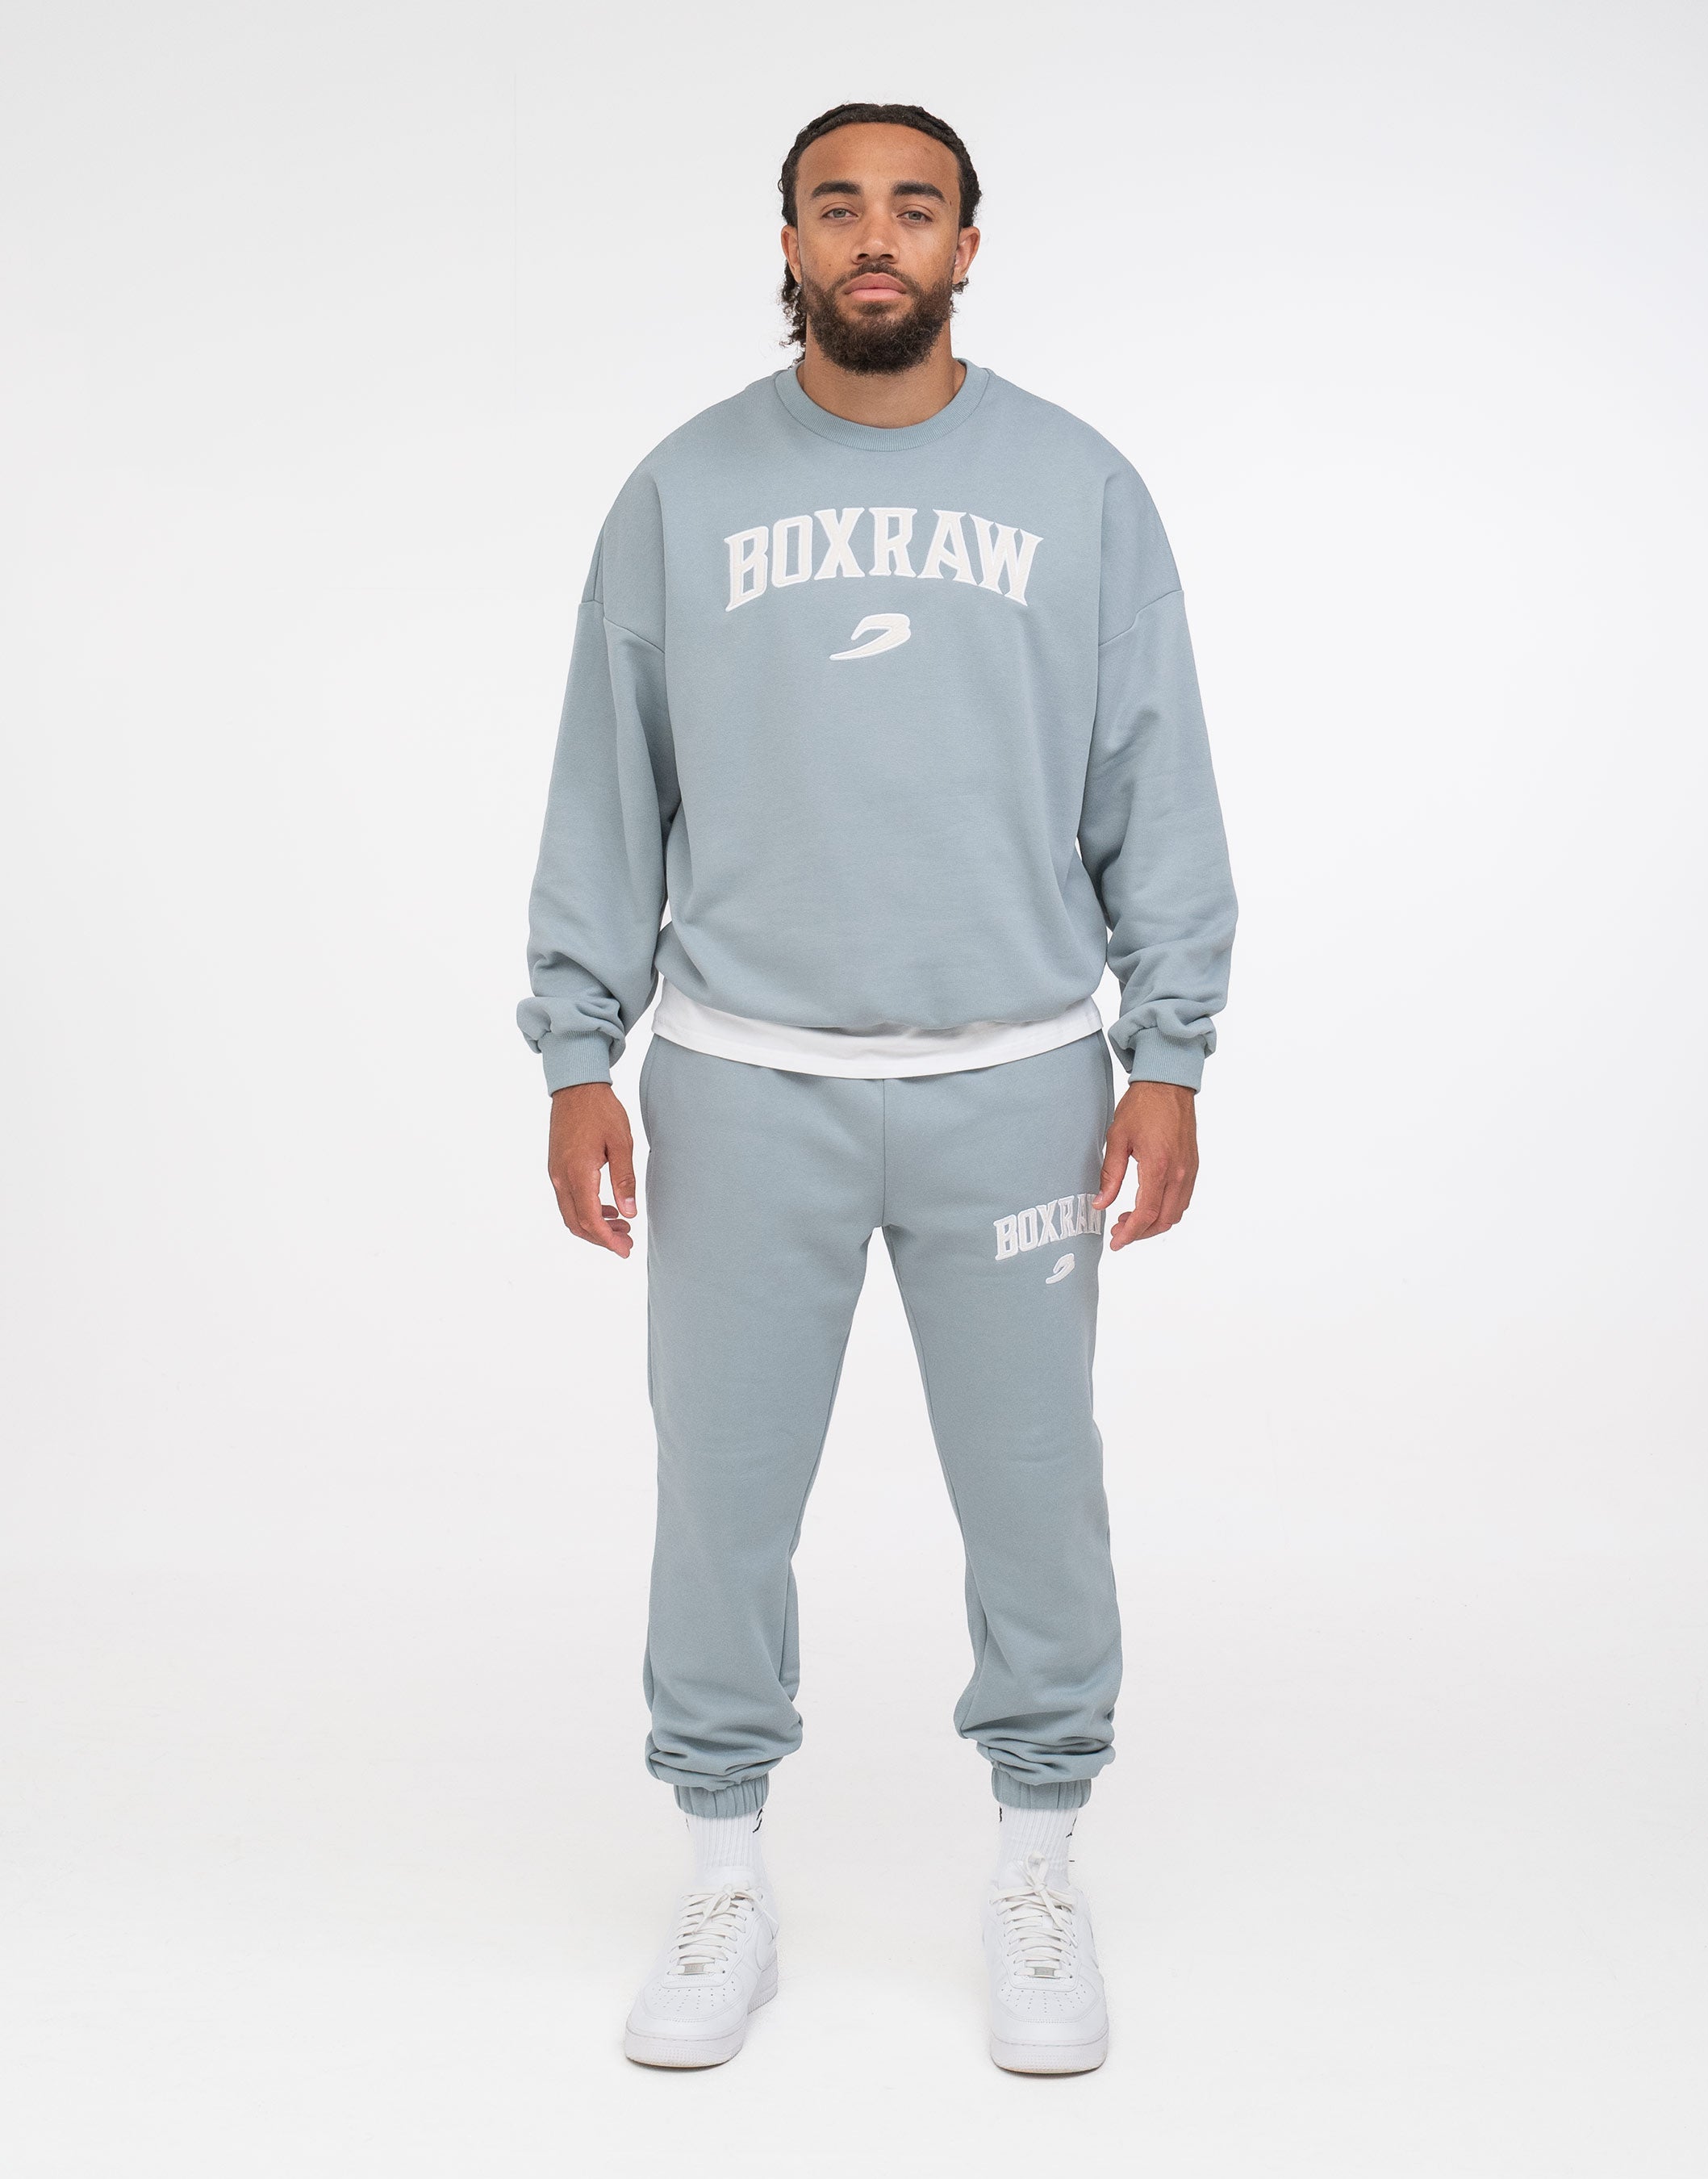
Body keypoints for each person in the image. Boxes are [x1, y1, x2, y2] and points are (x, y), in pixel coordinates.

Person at [517, 101, 1238, 2074]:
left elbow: (1154, 775)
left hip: (1017, 1079)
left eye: (914, 207)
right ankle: (723, 1874)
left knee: (1036, 1492)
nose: (875, 237)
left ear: (967, 247)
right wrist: (578, 1050)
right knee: (720, 1498)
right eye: (837, 205)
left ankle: (1037, 1867)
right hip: (743, 1082)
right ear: (788, 239)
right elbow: (607, 783)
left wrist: (1170, 1051)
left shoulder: (1080, 487)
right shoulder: (683, 491)